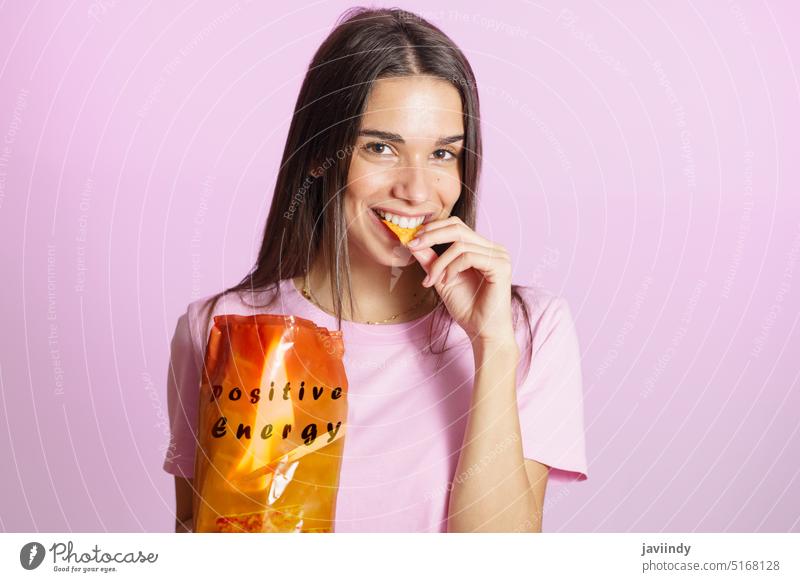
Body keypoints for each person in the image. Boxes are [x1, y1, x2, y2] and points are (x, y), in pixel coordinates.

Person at [163, 6, 588, 533]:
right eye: (381, 148)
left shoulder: (528, 327)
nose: (415, 190)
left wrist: (493, 347)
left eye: (442, 154)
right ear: (322, 155)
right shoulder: (217, 329)